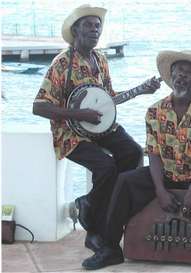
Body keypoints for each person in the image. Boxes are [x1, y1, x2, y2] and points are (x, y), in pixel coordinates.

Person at [81, 50, 191, 272]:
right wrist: (160, 190)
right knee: (124, 182)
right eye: (178, 71)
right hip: (167, 175)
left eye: (188, 73)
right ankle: (111, 248)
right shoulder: (155, 111)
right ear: (171, 76)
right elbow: (153, 153)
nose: (182, 76)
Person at [32, 4, 160, 253]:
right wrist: (80, 114)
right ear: (76, 30)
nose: (95, 29)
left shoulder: (100, 59)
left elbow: (109, 98)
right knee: (106, 167)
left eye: (97, 25)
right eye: (88, 25)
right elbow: (39, 106)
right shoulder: (62, 63)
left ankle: (98, 204)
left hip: (100, 128)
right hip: (69, 133)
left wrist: (141, 90)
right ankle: (94, 225)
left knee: (133, 153)